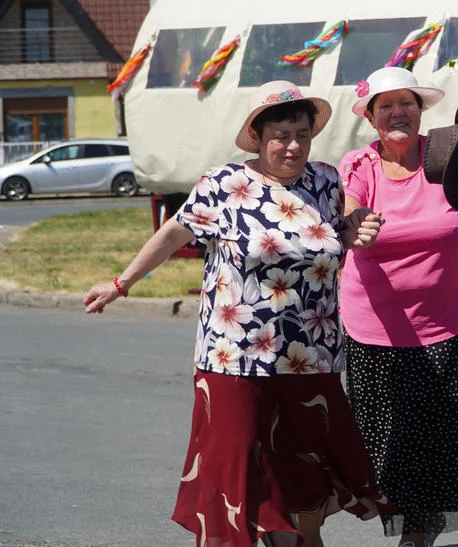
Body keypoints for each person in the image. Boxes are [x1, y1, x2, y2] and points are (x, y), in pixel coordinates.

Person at [84, 81, 392, 547]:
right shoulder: (224, 185)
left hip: (311, 357)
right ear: (259, 134)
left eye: (303, 134)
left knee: (303, 468)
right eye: (282, 134)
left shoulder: (326, 181)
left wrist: (351, 233)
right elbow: (172, 235)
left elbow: (332, 244)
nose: (293, 146)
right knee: (238, 472)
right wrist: (121, 283)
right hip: (235, 357)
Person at [339, 66, 458, 547]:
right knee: (391, 442)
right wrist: (355, 228)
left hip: (450, 322)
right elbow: (350, 216)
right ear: (371, 117)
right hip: (375, 329)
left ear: (421, 109)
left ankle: (419, 532)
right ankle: (407, 523)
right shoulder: (360, 165)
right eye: (385, 106)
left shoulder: (447, 158)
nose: (397, 113)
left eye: (405, 103)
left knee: (446, 437)